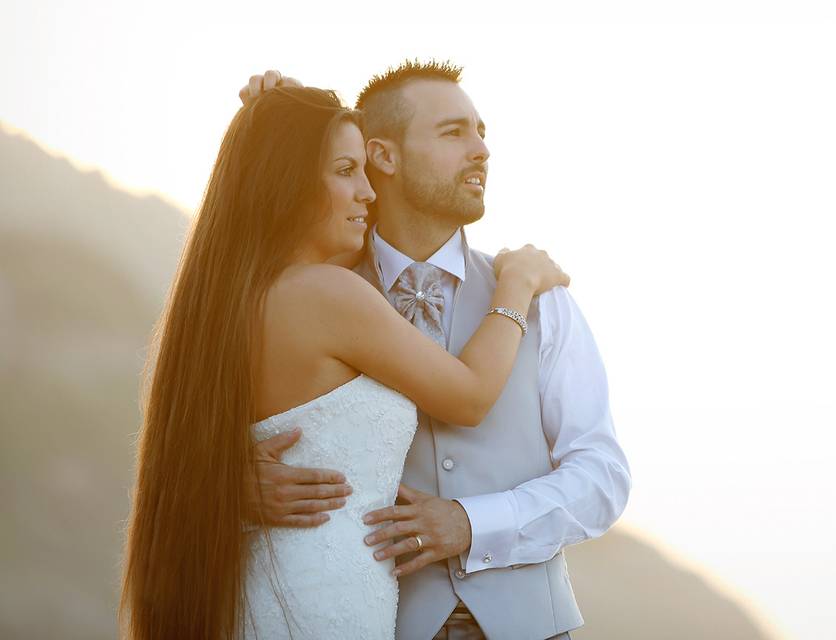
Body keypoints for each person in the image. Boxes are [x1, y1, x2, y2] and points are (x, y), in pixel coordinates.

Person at [119, 85, 570, 639]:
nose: (367, 192)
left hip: (265, 594)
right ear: (288, 182)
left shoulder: (228, 302)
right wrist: (517, 286)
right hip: (318, 606)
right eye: (345, 171)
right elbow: (470, 395)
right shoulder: (328, 294)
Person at [243, 62, 632, 640]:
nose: (481, 150)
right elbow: (231, 420)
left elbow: (602, 477)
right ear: (383, 156)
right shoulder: (310, 296)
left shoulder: (541, 298)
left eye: (481, 133)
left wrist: (472, 524)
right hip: (374, 624)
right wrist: (231, 485)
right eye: (453, 133)